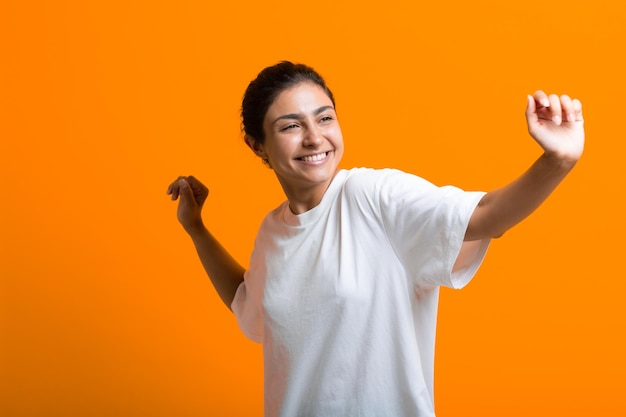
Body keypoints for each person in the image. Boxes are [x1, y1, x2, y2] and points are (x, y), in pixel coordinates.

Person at [166, 61, 584, 417]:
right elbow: (248, 299)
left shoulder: (372, 196)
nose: (315, 137)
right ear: (257, 146)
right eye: (291, 126)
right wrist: (197, 229)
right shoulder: (272, 230)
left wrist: (557, 161)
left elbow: (486, 216)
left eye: (325, 117)